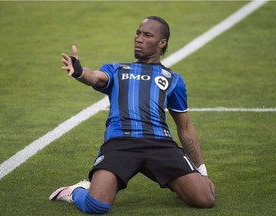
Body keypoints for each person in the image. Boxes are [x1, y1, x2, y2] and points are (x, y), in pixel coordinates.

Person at [49, 16, 216, 214]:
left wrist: (202, 172)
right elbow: (94, 76)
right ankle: (76, 191)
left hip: (160, 145)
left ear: (162, 43)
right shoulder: (116, 70)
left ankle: (180, 181)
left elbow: (185, 127)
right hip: (121, 143)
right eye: (138, 33)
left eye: (147, 35)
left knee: (206, 199)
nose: (139, 38)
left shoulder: (173, 80)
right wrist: (78, 72)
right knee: (96, 206)